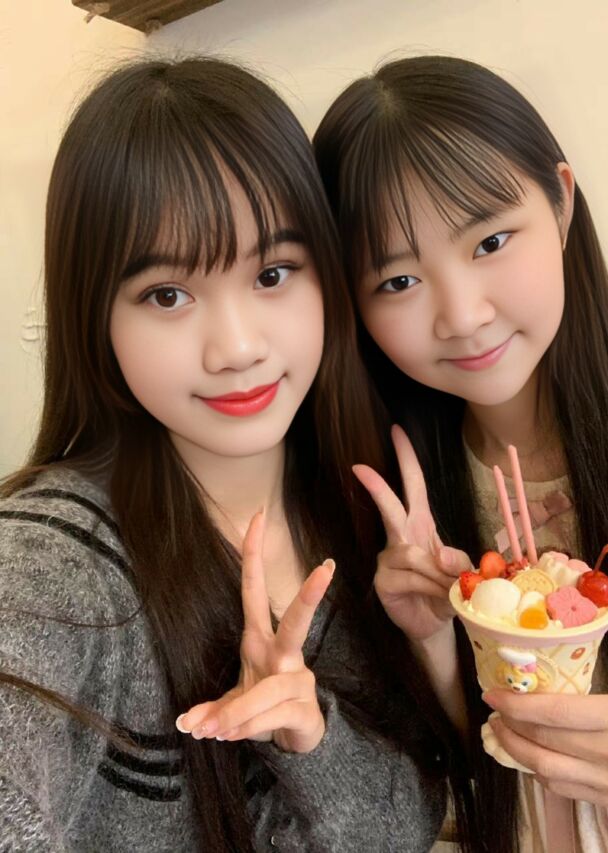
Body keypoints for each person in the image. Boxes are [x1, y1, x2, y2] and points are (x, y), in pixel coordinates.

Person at [0, 57, 455, 851]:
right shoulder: (59, 563)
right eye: (167, 295)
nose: (238, 348)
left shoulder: (365, 523)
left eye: (273, 273)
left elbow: (408, 821)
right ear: (95, 318)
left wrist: (314, 740)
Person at [314, 54, 608, 852]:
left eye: (490, 240)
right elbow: (483, 766)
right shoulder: (395, 504)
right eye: (397, 281)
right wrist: (433, 641)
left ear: (562, 202)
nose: (461, 314)